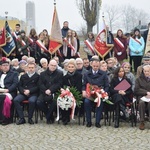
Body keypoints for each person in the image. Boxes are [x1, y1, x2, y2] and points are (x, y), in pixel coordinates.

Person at [82, 59, 109, 128]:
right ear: (91, 65)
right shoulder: (87, 74)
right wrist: (83, 91)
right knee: (86, 102)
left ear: (99, 66)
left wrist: (104, 92)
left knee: (100, 103)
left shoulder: (103, 74)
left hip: (99, 93)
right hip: (89, 93)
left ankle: (97, 122)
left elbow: (107, 85)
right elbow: (84, 84)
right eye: (94, 66)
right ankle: (89, 121)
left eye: (97, 66)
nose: (95, 67)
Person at [36, 59, 63, 124]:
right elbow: (40, 84)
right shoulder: (42, 74)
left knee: (55, 102)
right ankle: (50, 116)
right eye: (51, 65)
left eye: (55, 66)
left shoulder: (59, 73)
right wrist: (46, 90)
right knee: (39, 102)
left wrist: (50, 90)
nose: (53, 67)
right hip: (44, 92)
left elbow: (59, 84)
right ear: (48, 65)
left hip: (55, 92)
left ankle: (48, 117)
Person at [61, 59, 82, 125]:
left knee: (71, 99)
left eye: (72, 67)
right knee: (64, 99)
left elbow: (79, 86)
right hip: (67, 93)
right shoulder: (64, 77)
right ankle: (65, 117)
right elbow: (63, 86)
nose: (70, 68)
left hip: (76, 93)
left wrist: (72, 92)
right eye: (69, 67)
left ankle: (72, 114)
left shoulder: (79, 76)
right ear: (67, 68)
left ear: (75, 67)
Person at [0, 57, 18, 125]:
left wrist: (8, 90)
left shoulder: (14, 74)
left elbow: (15, 84)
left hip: (10, 92)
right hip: (1, 91)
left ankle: (6, 119)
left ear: (9, 66)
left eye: (7, 65)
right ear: (1, 67)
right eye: (4, 65)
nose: (5, 67)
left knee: (3, 98)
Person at [134, 65, 150, 130]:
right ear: (143, 71)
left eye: (148, 71)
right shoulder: (138, 79)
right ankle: (142, 121)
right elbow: (136, 90)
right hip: (142, 96)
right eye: (145, 71)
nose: (147, 72)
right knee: (141, 103)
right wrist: (146, 92)